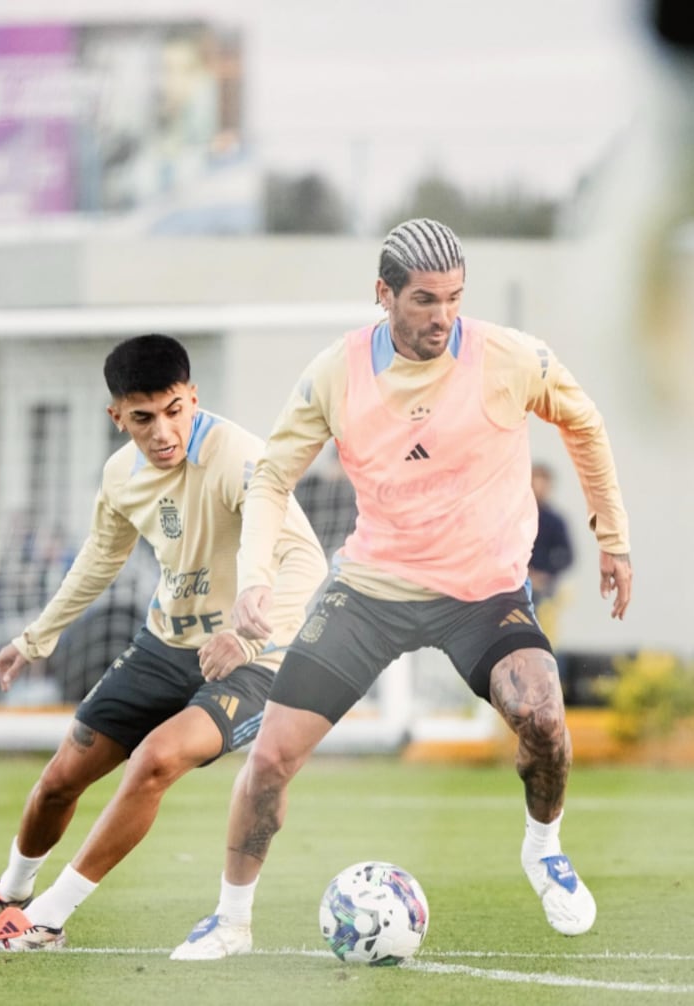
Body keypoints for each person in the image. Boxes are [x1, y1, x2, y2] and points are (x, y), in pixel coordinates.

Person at [171, 218, 632, 960]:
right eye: (422, 299)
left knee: (542, 716)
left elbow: (584, 423)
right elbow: (271, 478)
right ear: (382, 295)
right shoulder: (335, 373)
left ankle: (542, 848)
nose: (441, 316)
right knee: (270, 761)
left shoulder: (508, 357)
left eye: (453, 297)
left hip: (481, 593)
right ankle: (229, 921)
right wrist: (254, 579)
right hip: (371, 590)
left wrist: (611, 536)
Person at [0, 333, 326, 952]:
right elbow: (99, 559)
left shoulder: (241, 459)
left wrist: (247, 641)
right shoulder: (120, 475)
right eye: (143, 418)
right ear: (117, 417)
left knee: (155, 761)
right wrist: (36, 638)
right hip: (164, 646)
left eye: (175, 409)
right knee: (62, 777)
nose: (164, 430)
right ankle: (10, 891)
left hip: (255, 658)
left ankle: (48, 919)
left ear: (193, 397)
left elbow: (307, 562)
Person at [528, 461, 575, 643]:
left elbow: (567, 556)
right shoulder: (515, 517)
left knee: (544, 634)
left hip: (544, 588)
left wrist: (545, 573)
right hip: (516, 584)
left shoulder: (556, 521)